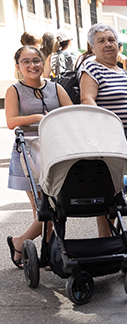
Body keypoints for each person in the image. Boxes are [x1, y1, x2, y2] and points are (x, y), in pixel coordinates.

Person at [79, 24, 127, 256]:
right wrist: (105, 131)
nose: (107, 44)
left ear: (118, 44)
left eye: (111, 39)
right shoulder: (91, 68)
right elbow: (87, 99)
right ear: (92, 46)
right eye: (101, 40)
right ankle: (106, 243)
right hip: (111, 143)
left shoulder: (123, 71)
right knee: (108, 195)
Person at [5, 46, 73, 269]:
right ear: (18, 66)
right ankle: (34, 249)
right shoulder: (14, 91)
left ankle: (27, 246)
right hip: (29, 154)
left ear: (43, 62)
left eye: (36, 60)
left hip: (57, 152)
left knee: (50, 208)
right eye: (26, 61)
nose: (32, 65)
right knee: (44, 209)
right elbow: (11, 121)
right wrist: (39, 117)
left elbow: (72, 114)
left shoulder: (56, 88)